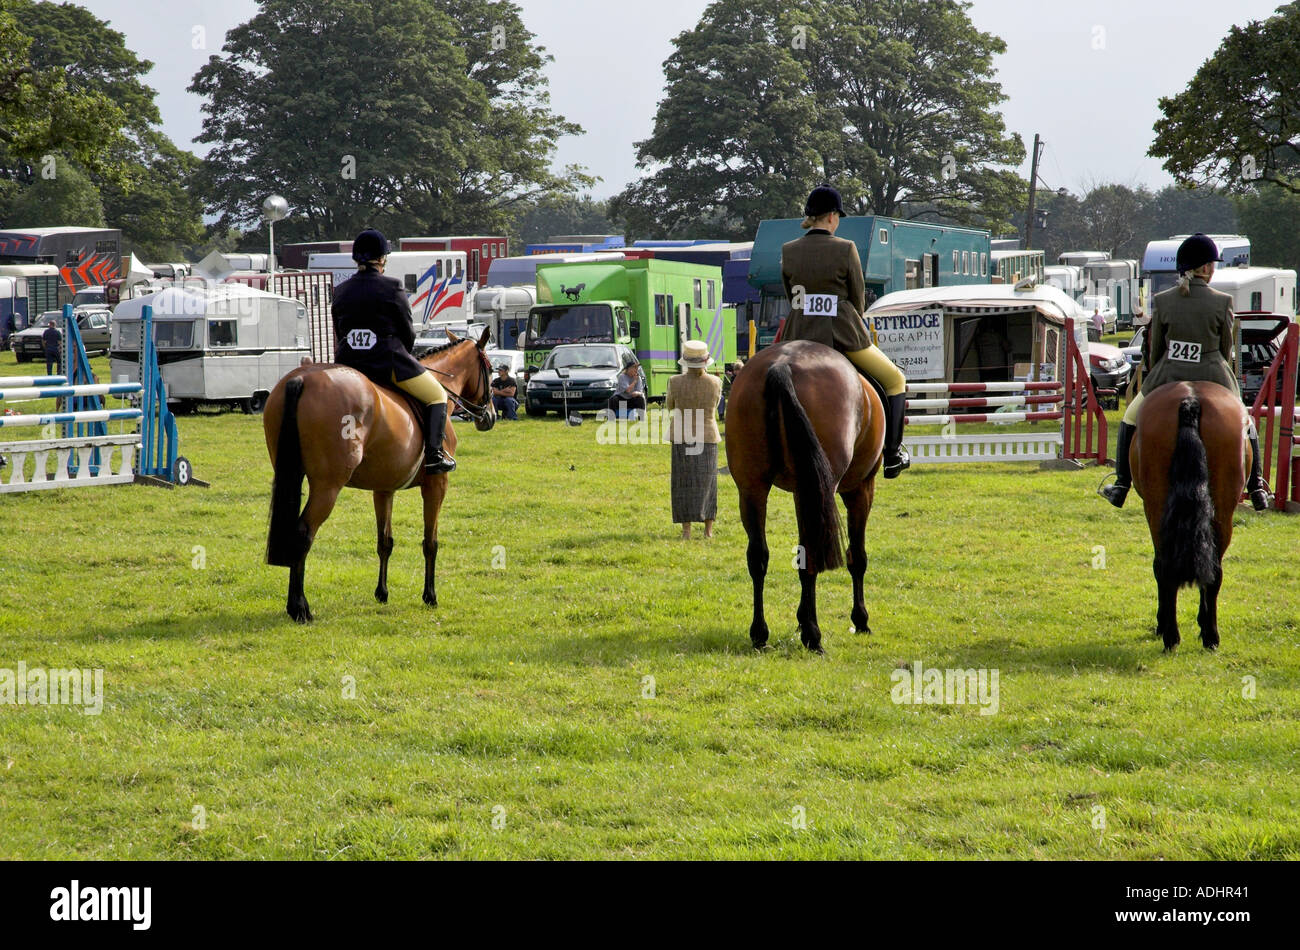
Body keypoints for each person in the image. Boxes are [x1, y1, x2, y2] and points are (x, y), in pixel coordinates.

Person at [1101, 233, 1270, 511]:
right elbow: (1226, 348)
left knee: (1130, 417)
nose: (1213, 269)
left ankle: (1121, 485)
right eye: (1212, 265)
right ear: (1204, 268)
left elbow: (1156, 351)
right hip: (1214, 373)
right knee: (1246, 421)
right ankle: (1256, 486)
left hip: (1169, 372)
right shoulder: (1222, 301)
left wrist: (1160, 371)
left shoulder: (1164, 300)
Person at [779, 184, 910, 477]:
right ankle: (892, 455)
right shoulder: (845, 248)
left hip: (799, 334)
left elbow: (792, 296)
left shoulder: (788, 251)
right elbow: (857, 296)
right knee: (895, 379)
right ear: (831, 217)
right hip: (842, 333)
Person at [332, 228, 456, 473]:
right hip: (387, 362)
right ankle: (433, 456)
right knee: (437, 396)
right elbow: (407, 331)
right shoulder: (392, 286)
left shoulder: (342, 289)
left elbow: (339, 330)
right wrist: (405, 354)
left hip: (348, 364)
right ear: (381, 259)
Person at [666, 340, 722, 539]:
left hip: (682, 435)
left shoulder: (674, 381)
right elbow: (715, 406)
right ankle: (708, 531)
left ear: (686, 362)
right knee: (708, 483)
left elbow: (670, 406)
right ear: (706, 361)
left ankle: (686, 531)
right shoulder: (716, 382)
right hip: (707, 435)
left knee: (683, 482)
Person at [607, 352, 646, 420]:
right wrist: (634, 382)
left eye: (637, 367)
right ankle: (611, 417)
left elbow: (640, 392)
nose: (636, 369)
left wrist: (637, 393)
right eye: (634, 367)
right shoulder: (622, 377)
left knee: (640, 399)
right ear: (629, 369)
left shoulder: (638, 378)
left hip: (632, 399)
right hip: (622, 398)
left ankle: (641, 418)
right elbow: (628, 390)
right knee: (613, 399)